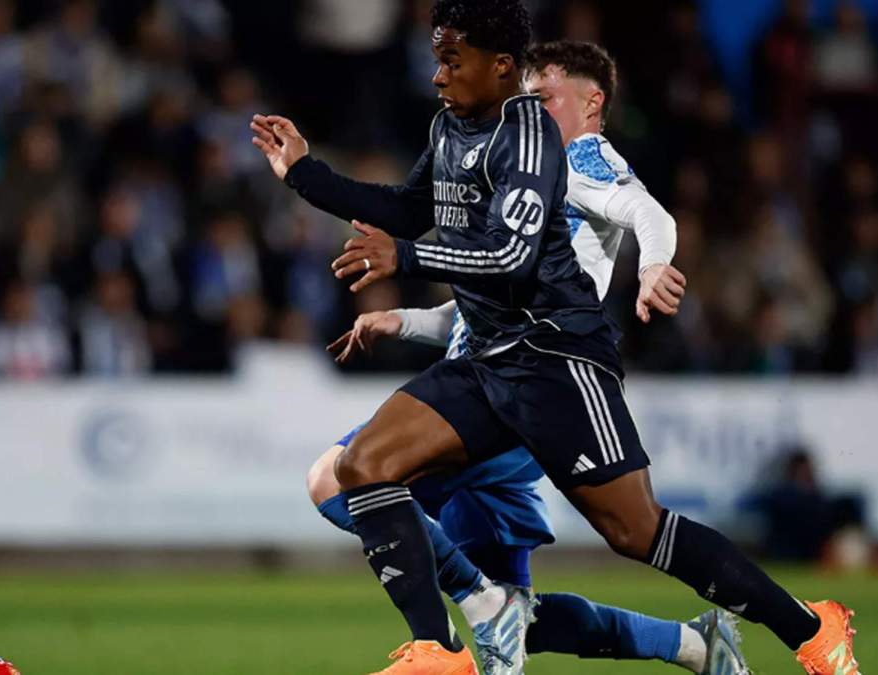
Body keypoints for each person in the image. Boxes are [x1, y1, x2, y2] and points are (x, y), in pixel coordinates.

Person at [251, 3, 858, 673]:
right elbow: (406, 208)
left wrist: (410, 258)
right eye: (438, 59)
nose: (437, 75)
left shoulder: (537, 139)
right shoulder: (449, 127)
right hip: (485, 361)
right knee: (361, 466)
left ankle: (810, 627)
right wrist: (305, 174)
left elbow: (513, 257)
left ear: (500, 66)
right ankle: (438, 648)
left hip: (557, 360)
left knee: (636, 530)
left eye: (452, 61)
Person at [306, 39, 748, 675]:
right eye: (527, 99)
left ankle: (478, 602)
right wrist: (401, 321)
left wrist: (653, 265)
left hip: (508, 394)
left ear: (591, 103)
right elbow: (486, 307)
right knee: (521, 620)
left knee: (338, 478)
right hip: (500, 385)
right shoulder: (526, 174)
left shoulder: (580, 159)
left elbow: (649, 215)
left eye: (543, 98)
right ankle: (696, 646)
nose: (530, 111)